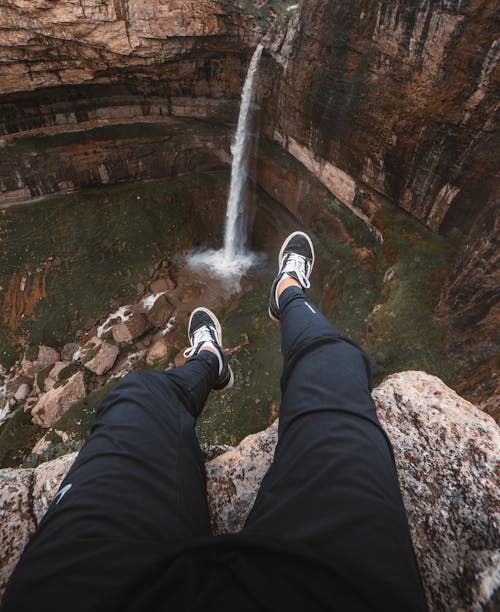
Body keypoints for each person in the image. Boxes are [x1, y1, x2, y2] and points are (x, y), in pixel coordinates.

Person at [1, 232, 428, 611]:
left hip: (93, 590)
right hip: (321, 590)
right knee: (336, 363)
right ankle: (289, 292)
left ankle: (209, 360)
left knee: (136, 392)